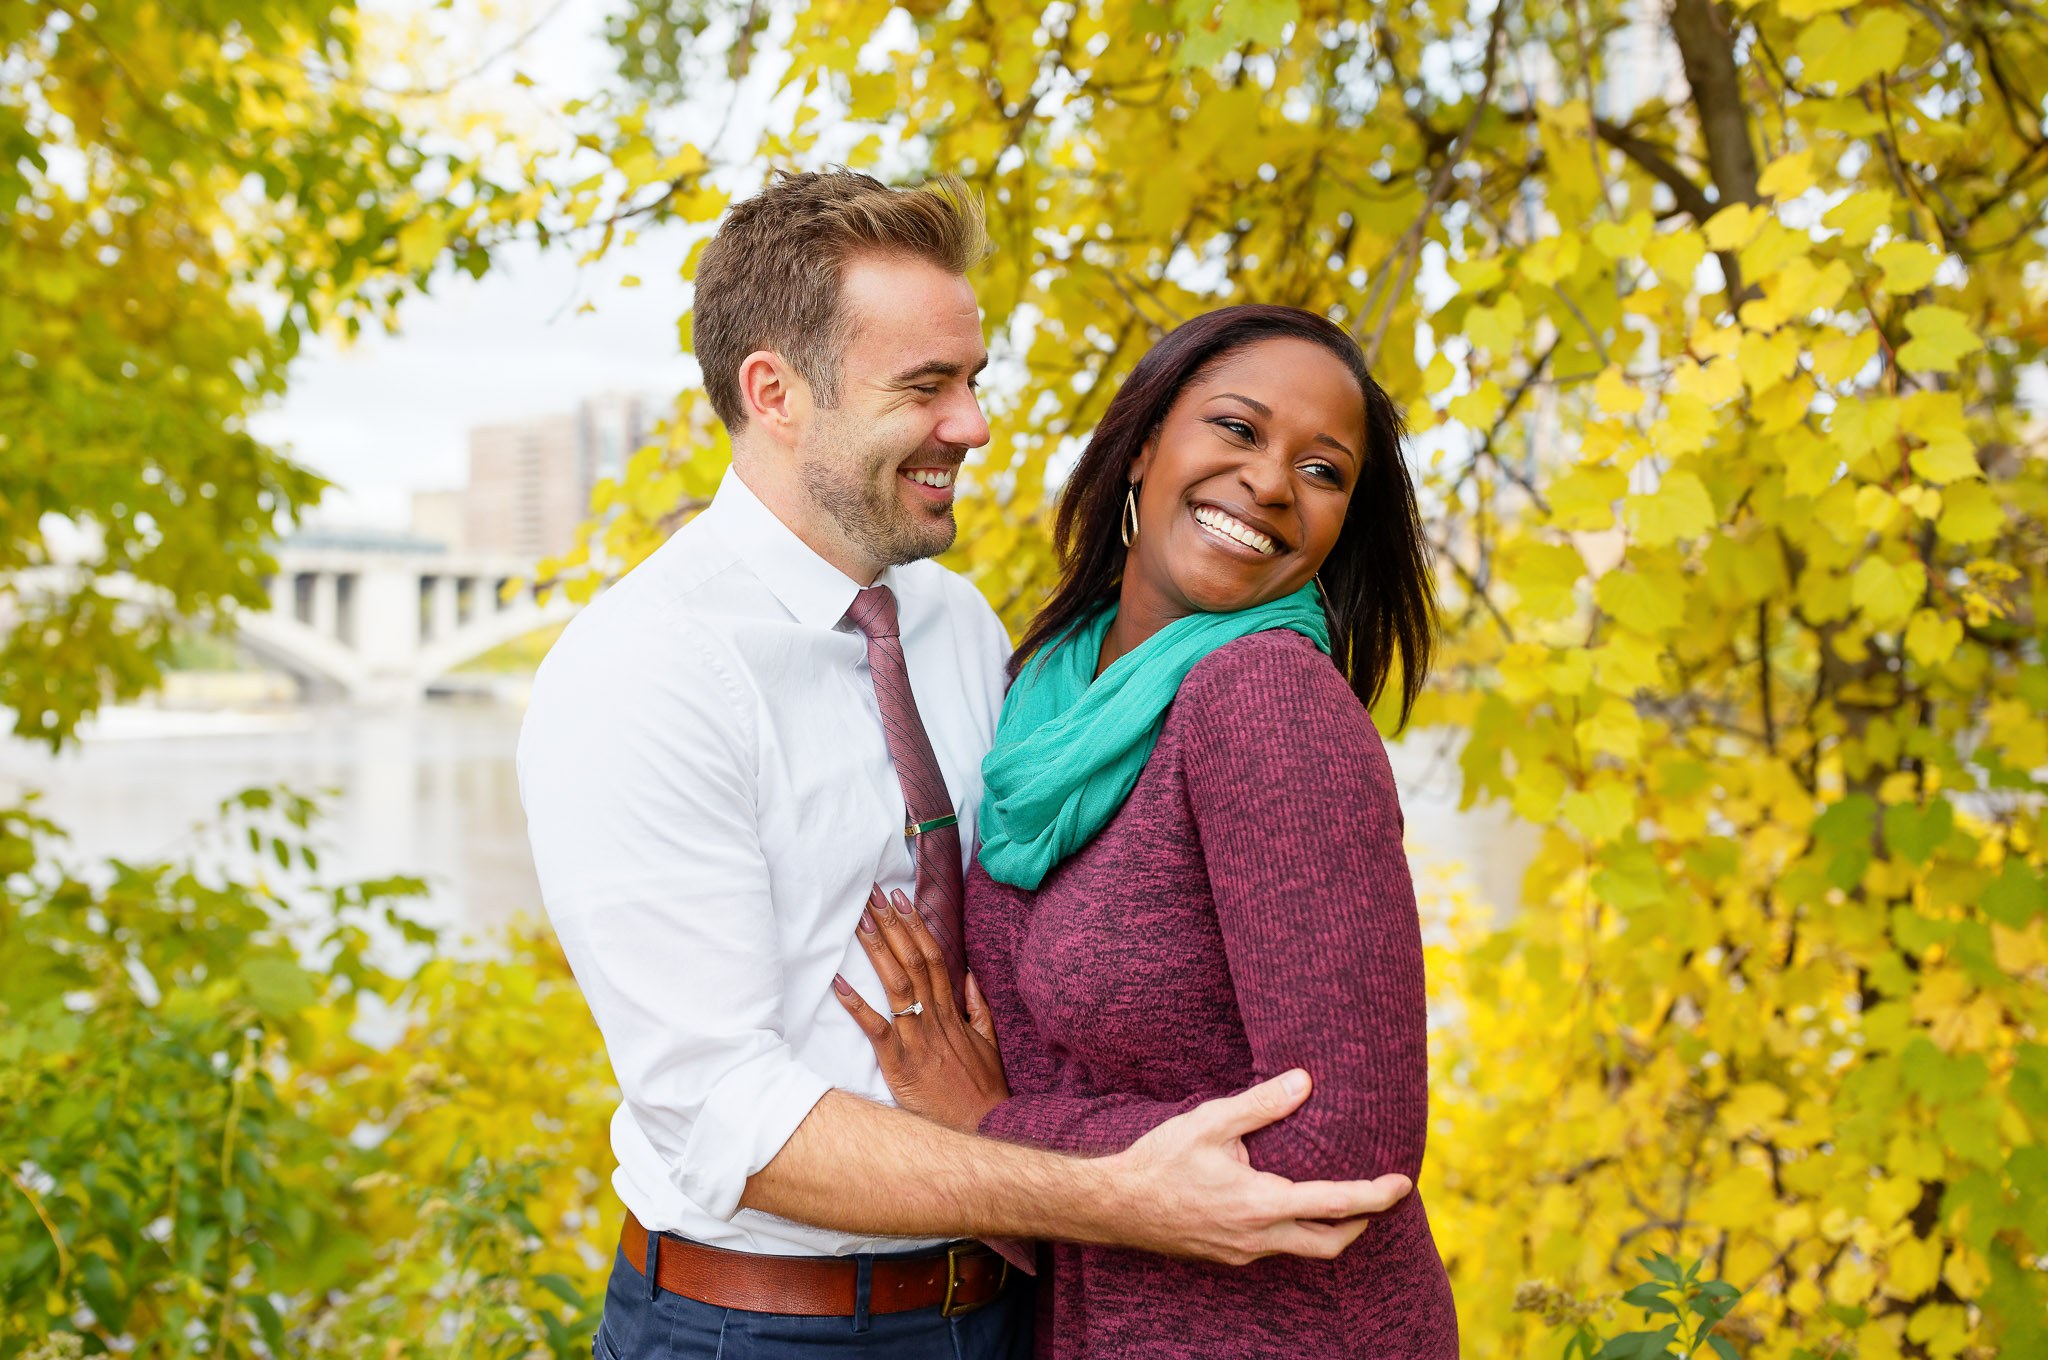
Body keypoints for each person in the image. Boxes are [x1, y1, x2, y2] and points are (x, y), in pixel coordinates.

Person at [518, 174, 1416, 1360]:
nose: (974, 425)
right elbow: (720, 1114)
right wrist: (1088, 1182)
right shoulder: (645, 671)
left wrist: (1009, 1131)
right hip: (771, 1329)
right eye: (925, 387)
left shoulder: (964, 632)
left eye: (972, 380)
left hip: (1016, 1306)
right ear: (774, 392)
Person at [834, 304, 1459, 1356]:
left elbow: (1352, 1147)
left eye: (1321, 471)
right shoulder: (1042, 690)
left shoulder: (1264, 701)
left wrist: (994, 1128)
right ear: (1140, 449)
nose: (1268, 482)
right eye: (1236, 428)